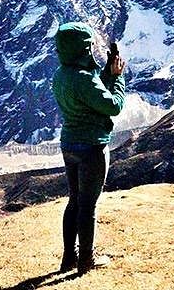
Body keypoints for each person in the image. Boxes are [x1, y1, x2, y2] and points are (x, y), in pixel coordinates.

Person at [51, 22, 126, 275]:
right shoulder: (82, 79)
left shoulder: (61, 74)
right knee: (88, 206)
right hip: (92, 147)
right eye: (89, 45)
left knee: (74, 201)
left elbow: (91, 94)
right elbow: (112, 105)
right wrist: (117, 78)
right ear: (82, 48)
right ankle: (86, 261)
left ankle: (68, 259)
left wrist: (105, 72)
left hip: (69, 144)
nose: (93, 48)